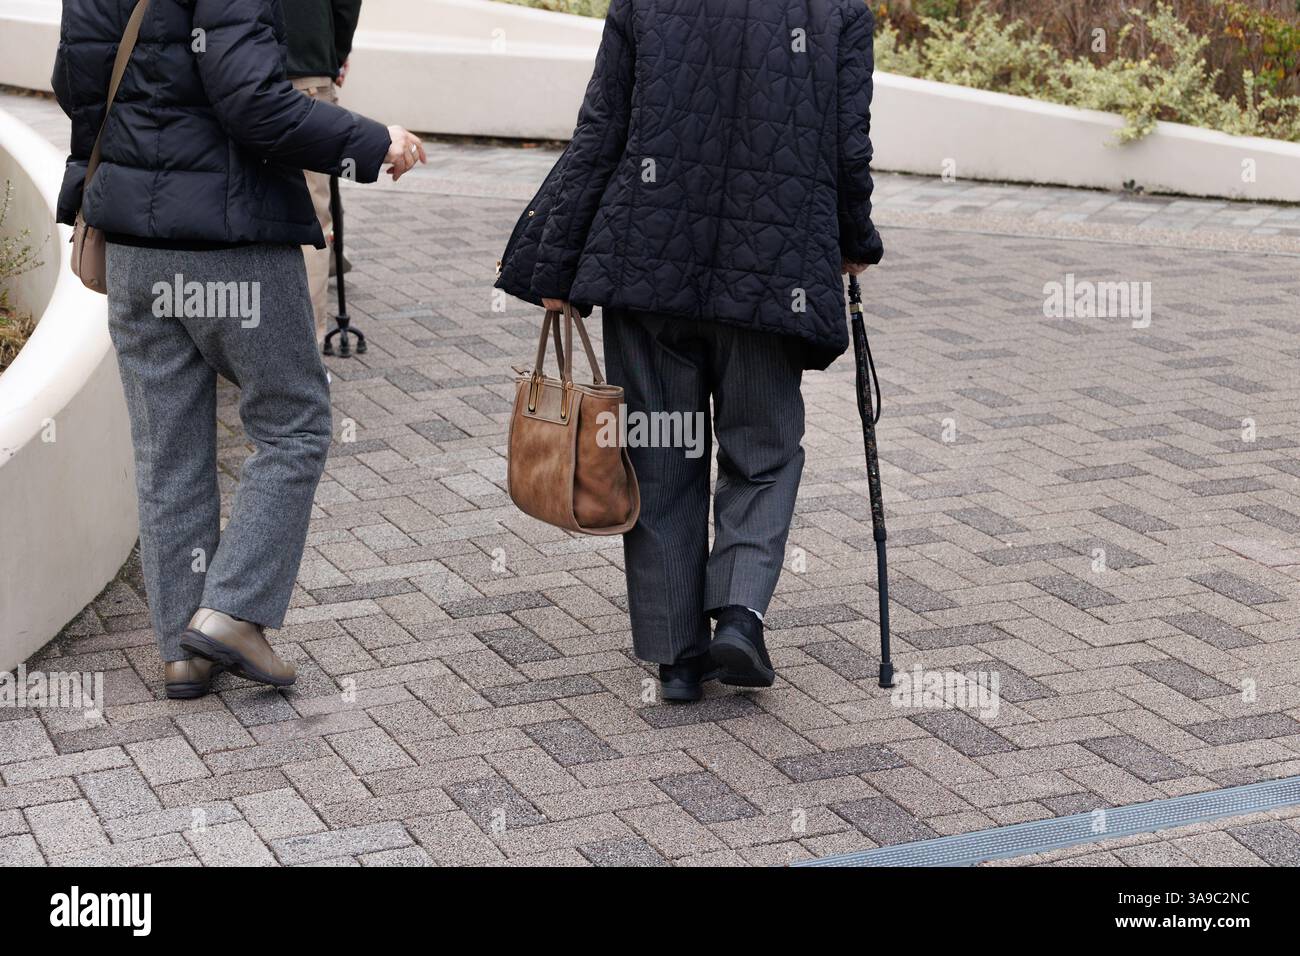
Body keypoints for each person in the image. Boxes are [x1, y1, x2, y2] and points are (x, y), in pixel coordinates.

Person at [496, 0, 884, 702]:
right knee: (763, 452)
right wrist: (855, 242)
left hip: (646, 263)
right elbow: (847, 147)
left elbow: (601, 131)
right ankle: (738, 615)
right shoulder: (837, 11)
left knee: (657, 453)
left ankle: (677, 656)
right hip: (772, 276)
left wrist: (556, 265)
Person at [52, 0, 426, 699]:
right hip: (231, 245)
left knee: (168, 448)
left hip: (133, 246)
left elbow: (77, 86)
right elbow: (256, 104)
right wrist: (375, 142)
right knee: (295, 421)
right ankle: (232, 612)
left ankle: (182, 650)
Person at [285, 0, 363, 343]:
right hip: (307, 67)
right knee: (311, 218)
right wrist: (331, 54)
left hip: (233, 72)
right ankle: (307, 346)